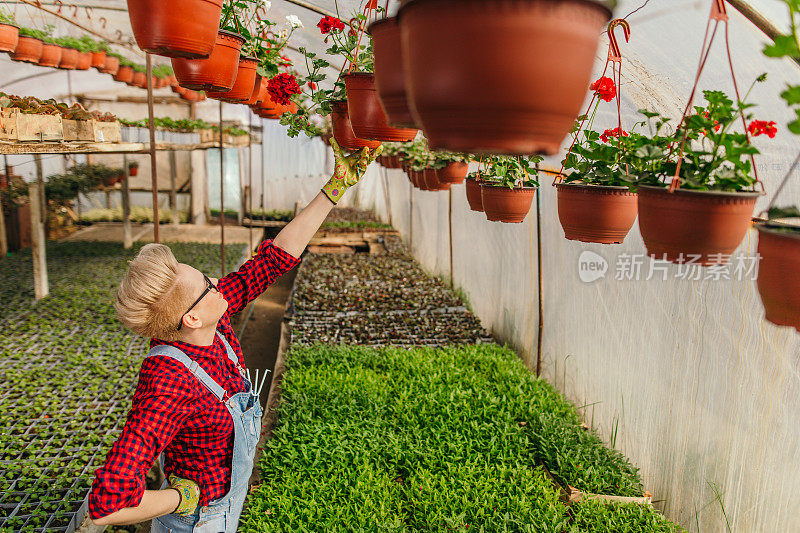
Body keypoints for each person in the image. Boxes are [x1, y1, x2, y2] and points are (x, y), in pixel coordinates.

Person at [88, 140, 381, 532]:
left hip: (227, 500)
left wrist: (334, 188)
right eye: (208, 283)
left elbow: (275, 258)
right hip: (199, 521)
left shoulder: (213, 321)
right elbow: (107, 504)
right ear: (191, 317)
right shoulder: (169, 382)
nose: (218, 283)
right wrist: (179, 498)